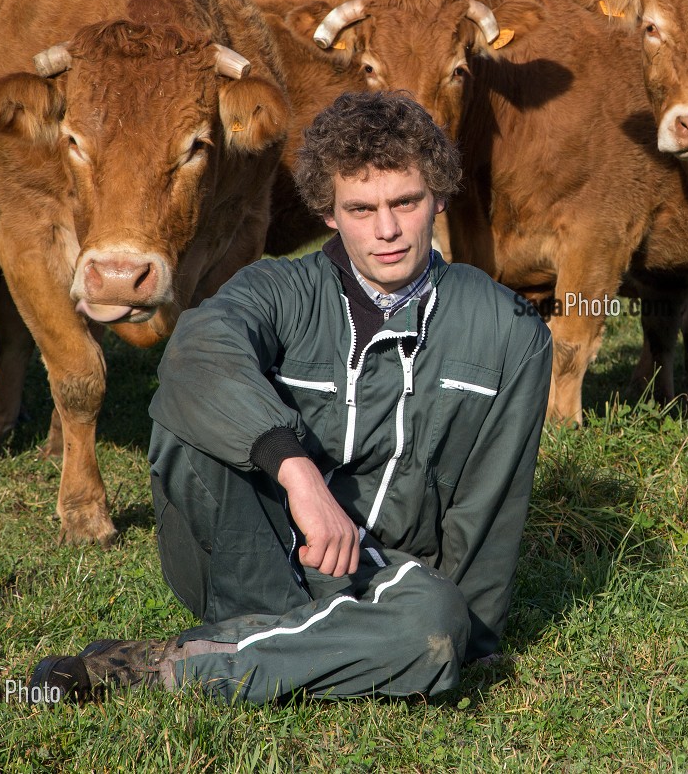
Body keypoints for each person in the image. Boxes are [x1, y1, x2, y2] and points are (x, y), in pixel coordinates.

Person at [29, 91, 553, 703]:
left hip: (386, 579)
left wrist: (469, 638)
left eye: (405, 202)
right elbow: (196, 352)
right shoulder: (276, 287)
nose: (386, 230)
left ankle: (161, 669)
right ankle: (304, 646)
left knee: (431, 628)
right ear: (328, 212)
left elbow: (493, 502)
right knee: (192, 402)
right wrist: (296, 470)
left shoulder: (508, 328)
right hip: (254, 555)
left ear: (437, 195)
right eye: (360, 208)